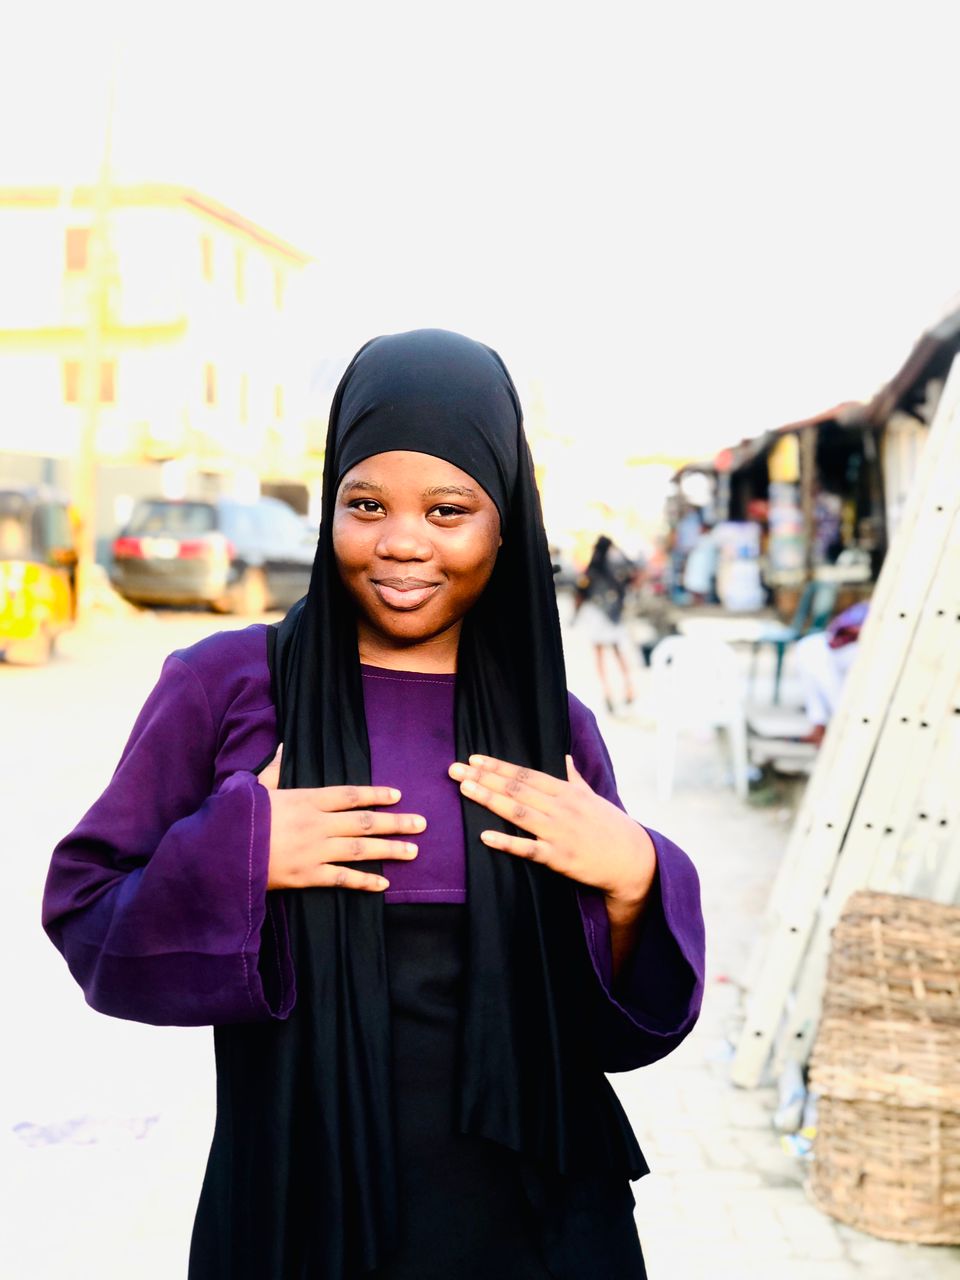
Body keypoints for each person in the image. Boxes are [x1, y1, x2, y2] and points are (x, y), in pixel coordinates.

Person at [42, 329, 705, 1280]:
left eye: (448, 510)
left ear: (507, 522)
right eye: (366, 504)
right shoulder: (228, 685)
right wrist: (241, 854)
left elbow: (613, 1030)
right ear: (329, 508)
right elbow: (88, 917)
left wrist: (640, 878)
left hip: (540, 1224)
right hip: (298, 1215)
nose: (402, 540)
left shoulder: (550, 724)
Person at [573, 534, 638, 713]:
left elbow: (580, 593)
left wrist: (575, 615)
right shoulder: (617, 567)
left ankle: (607, 692)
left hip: (596, 614)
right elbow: (633, 573)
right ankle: (629, 687)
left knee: (599, 656)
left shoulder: (592, 569)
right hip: (613, 615)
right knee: (618, 652)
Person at [794, 600, 868, 746]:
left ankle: (841, 720)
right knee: (807, 646)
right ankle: (819, 723)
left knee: (818, 657)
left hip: (869, 647)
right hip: (848, 643)